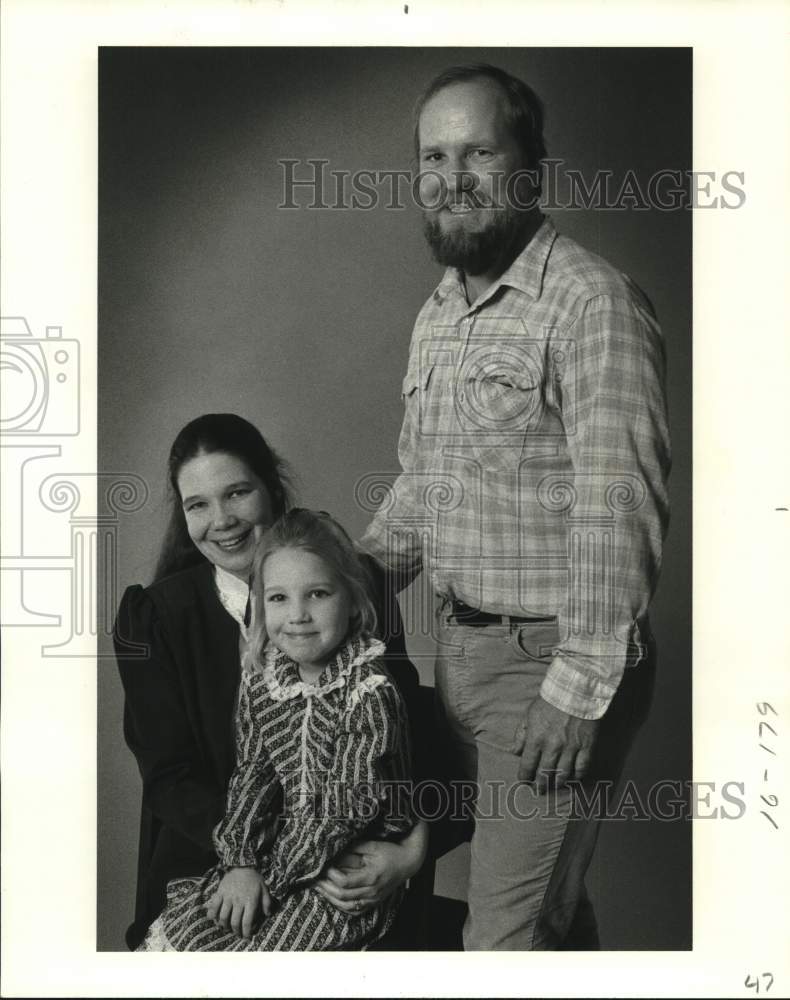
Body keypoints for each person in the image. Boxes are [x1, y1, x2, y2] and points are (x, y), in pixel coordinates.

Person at [360, 64, 671, 950]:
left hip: (551, 665)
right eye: (433, 155)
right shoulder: (441, 316)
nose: (451, 176)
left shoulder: (591, 303)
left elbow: (624, 503)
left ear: (532, 167)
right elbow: (426, 487)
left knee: (500, 944)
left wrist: (577, 691)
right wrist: (340, 585)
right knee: (548, 915)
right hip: (458, 653)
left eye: (479, 151)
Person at [114, 413, 427, 950]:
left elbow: (406, 738)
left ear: (271, 488)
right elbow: (170, 776)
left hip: (353, 863)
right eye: (198, 505)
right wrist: (252, 860)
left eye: (237, 493)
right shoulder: (155, 618)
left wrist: (411, 851)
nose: (222, 520)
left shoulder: (355, 585)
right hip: (212, 858)